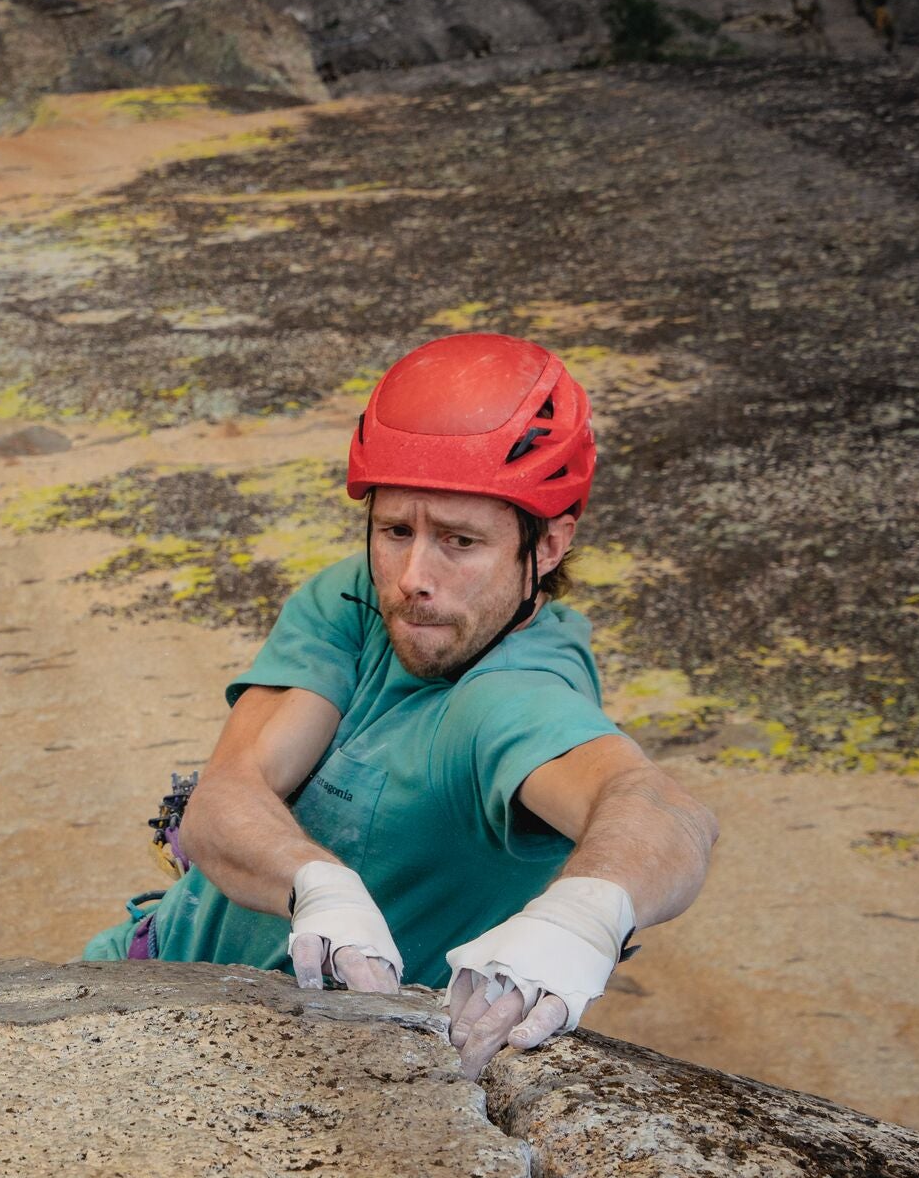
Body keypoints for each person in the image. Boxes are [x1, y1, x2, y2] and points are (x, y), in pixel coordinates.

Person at [83, 332, 720, 1079]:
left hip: (297, 1069)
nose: (414, 578)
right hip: (145, 965)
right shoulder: (354, 598)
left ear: (547, 546)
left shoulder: (509, 700)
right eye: (395, 531)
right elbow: (228, 793)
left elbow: (656, 806)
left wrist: (586, 915)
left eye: (459, 540)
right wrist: (318, 883)